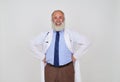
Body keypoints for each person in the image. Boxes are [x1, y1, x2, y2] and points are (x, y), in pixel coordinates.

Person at [30, 10, 90, 82]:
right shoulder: (45, 35)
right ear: (52, 20)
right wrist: (41, 56)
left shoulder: (70, 34)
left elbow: (87, 42)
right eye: (55, 18)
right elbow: (30, 43)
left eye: (60, 17)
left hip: (67, 69)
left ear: (64, 19)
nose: (58, 20)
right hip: (50, 70)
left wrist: (76, 56)